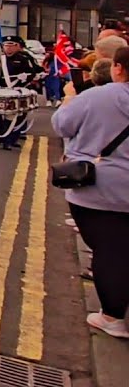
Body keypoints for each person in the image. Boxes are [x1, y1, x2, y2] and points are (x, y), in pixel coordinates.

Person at [52, 45, 129, 339]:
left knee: (109, 251)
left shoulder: (98, 96)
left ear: (118, 68)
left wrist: (69, 99)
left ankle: (112, 316)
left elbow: (62, 125)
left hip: (98, 189)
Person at [0, 35, 43, 151]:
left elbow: (32, 73)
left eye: (11, 46)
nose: (8, 48)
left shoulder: (23, 59)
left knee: (15, 115)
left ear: (17, 46)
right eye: (6, 46)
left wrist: (25, 77)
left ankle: (10, 140)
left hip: (16, 90)